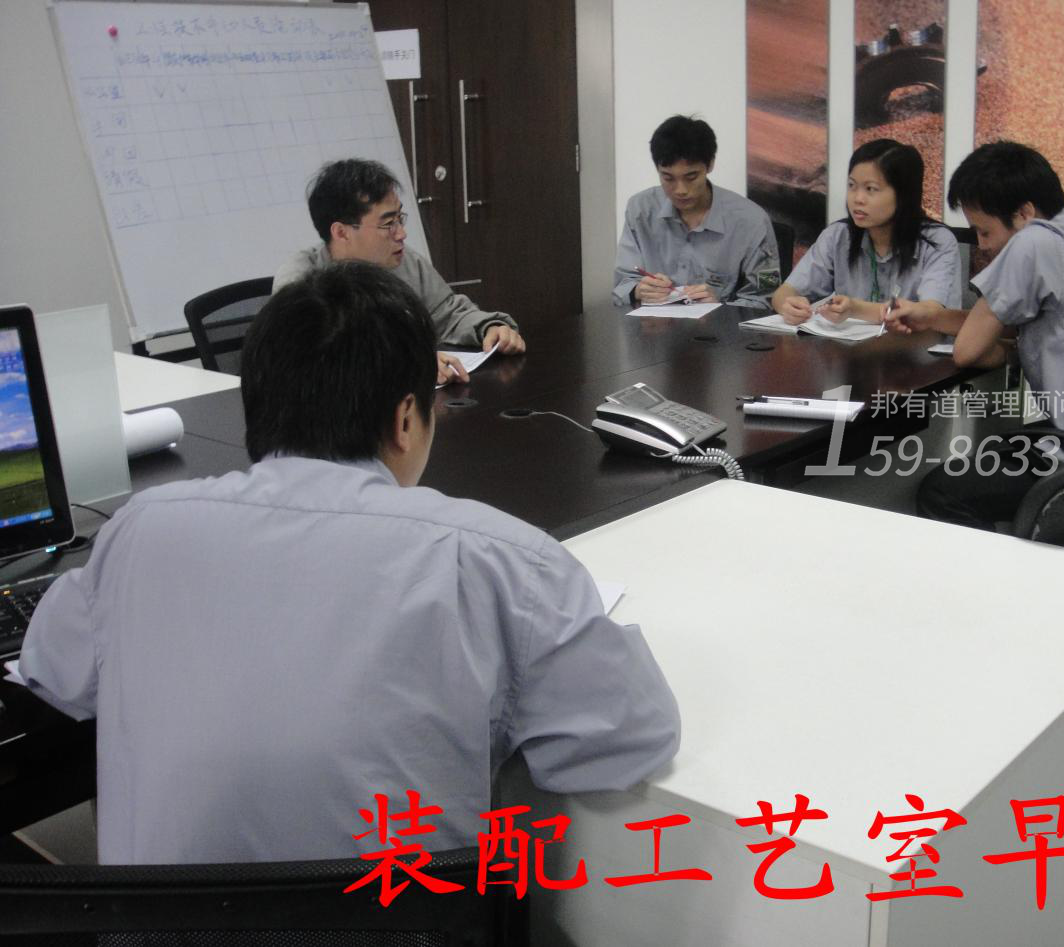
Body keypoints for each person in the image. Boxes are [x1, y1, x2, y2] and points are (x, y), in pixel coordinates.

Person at [19, 261, 680, 864]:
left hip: (160, 931)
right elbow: (631, 735)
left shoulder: (140, 531)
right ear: (405, 419)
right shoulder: (500, 561)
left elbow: (50, 666)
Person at [885, 141, 1064, 530]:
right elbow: (1023, 322)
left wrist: (1000, 347)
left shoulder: (1035, 242)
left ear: (1024, 214)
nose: (982, 244)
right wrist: (933, 318)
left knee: (943, 493)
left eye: (984, 230)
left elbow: (967, 351)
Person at [276, 158, 525, 385]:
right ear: (341, 232)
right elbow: (317, 363)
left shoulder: (404, 262)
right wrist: (409, 363)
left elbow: (447, 314)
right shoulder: (301, 283)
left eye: (399, 219)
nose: (401, 234)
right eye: (388, 224)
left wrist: (489, 328)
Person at [772, 139, 961, 326]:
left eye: (871, 189)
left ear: (904, 195)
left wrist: (855, 309)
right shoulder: (838, 235)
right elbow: (785, 292)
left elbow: (933, 315)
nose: (858, 199)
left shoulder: (937, 241)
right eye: (852, 186)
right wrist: (788, 306)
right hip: (847, 345)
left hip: (914, 345)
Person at [613, 115, 781, 310]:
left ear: (710, 165)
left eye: (691, 177)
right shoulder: (640, 209)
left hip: (722, 327)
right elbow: (622, 285)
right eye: (668, 178)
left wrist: (720, 307)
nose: (680, 190)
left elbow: (767, 297)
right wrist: (638, 290)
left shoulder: (751, 220)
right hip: (653, 325)